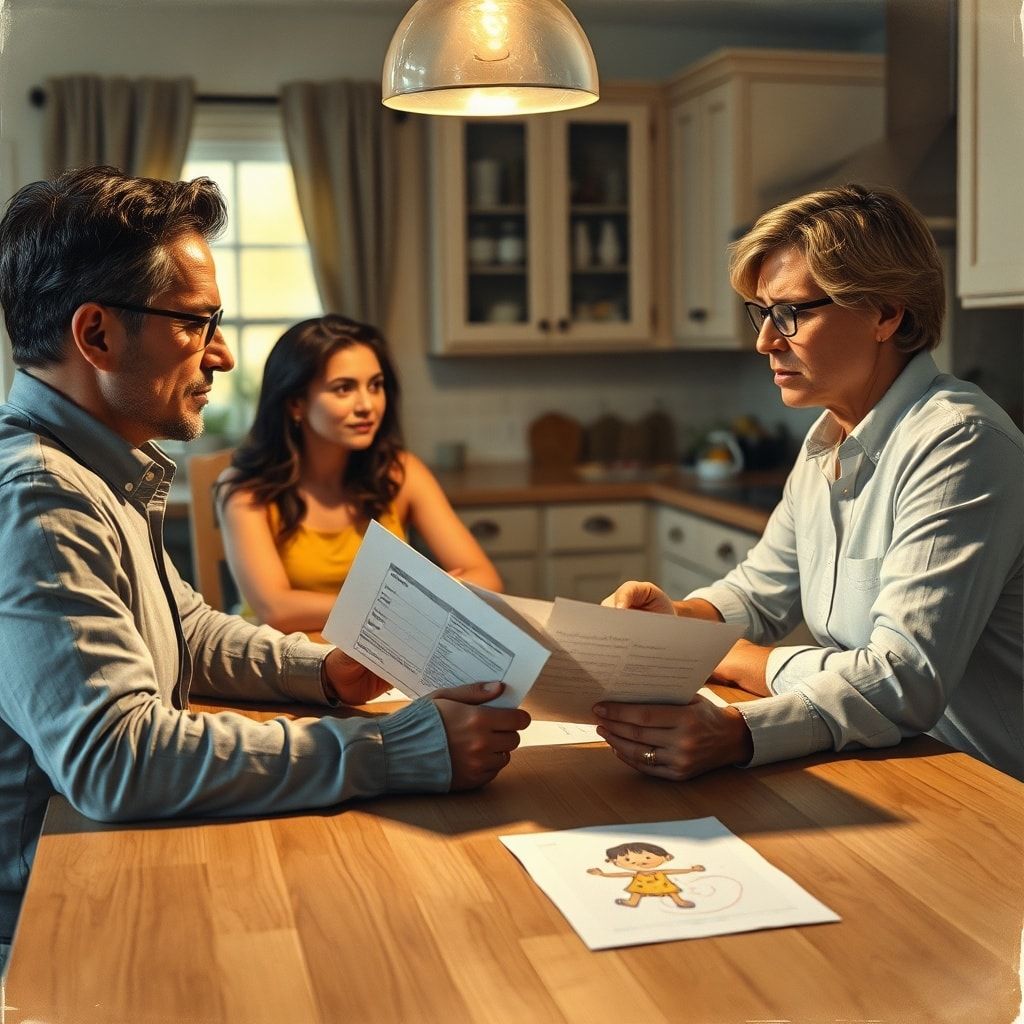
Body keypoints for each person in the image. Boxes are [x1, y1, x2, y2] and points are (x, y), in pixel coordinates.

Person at [0, 165, 529, 954]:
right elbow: (118, 760)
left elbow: (190, 632)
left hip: (105, 871)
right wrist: (402, 748)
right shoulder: (42, 495)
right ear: (97, 334)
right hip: (58, 925)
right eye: (196, 324)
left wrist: (325, 673)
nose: (220, 356)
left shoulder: (98, 470)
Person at [596, 183, 1023, 783]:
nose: (766, 340)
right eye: (764, 313)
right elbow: (760, 593)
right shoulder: (829, 436)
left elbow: (900, 679)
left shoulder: (959, 441)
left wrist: (748, 684)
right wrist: (678, 621)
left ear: (885, 312)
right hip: (883, 763)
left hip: (981, 789)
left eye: (791, 312)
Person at [218, 314, 501, 636]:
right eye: (343, 389)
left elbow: (486, 579)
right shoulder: (246, 490)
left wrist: (389, 605)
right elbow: (277, 610)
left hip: (382, 658)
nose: (367, 405)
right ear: (296, 403)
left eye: (375, 385)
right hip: (283, 663)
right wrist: (409, 601)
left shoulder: (401, 472)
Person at [587, 843, 705, 908]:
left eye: (648, 857)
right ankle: (632, 902)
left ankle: (680, 902)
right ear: (614, 862)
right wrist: (602, 874)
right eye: (627, 859)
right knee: (636, 892)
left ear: (665, 857)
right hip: (641, 886)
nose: (637, 862)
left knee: (671, 891)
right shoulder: (636, 873)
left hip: (661, 884)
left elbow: (674, 871)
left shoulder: (659, 872)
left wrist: (691, 870)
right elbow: (621, 874)